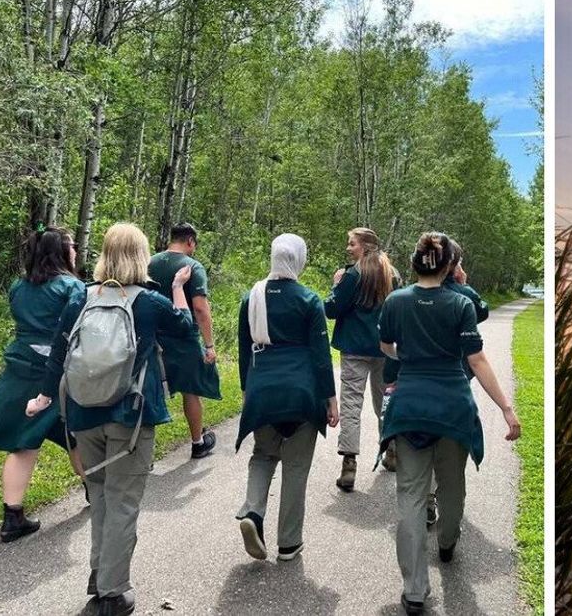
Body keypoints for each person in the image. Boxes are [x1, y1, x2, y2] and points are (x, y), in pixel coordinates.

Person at [27, 223, 194, 616]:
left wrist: (44, 397)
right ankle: (112, 593)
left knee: (101, 497)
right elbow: (185, 329)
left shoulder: (80, 298)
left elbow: (58, 352)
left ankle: (100, 577)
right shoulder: (149, 303)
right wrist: (177, 289)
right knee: (122, 503)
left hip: (84, 414)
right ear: (140, 256)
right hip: (130, 416)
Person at [378, 232, 521, 615]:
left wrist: (402, 359)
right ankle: (446, 541)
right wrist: (506, 409)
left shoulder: (395, 301)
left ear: (415, 263)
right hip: (452, 406)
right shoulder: (460, 305)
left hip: (409, 406)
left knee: (409, 494)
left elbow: (386, 347)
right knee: (452, 487)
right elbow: (477, 361)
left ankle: (413, 590)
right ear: (449, 266)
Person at [0, 226, 86, 542]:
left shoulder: (18, 287)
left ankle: (14, 517)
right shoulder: (72, 287)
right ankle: (95, 490)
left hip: (20, 366)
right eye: (72, 247)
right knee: (71, 434)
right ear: (62, 252)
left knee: (37, 438)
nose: (76, 252)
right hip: (55, 373)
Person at [234, 234, 340, 562]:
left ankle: (252, 512)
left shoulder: (251, 297)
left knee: (263, 455)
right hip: (301, 394)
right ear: (299, 259)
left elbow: (242, 349)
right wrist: (330, 399)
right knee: (296, 466)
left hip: (262, 389)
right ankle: (289, 543)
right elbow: (321, 356)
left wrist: (247, 390)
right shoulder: (309, 300)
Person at [382, 242, 489, 523]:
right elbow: (483, 314)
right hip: (453, 383)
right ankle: (442, 511)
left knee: (421, 448)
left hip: (414, 384)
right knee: (446, 454)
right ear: (451, 265)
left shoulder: (401, 298)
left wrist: (396, 368)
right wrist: (465, 284)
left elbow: (390, 344)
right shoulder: (462, 297)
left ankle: (427, 500)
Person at [324, 227, 394, 492]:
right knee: (385, 403)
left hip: (354, 348)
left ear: (364, 247)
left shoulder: (352, 275)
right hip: (385, 349)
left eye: (351, 243)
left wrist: (335, 284)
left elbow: (331, 309)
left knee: (352, 404)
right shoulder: (391, 275)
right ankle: (392, 452)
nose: (348, 248)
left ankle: (349, 465)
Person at [148, 223, 221, 458]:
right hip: (184, 336)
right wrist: (209, 345)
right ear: (190, 241)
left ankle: (143, 450)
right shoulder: (193, 266)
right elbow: (200, 308)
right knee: (191, 391)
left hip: (154, 335)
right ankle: (198, 442)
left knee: (150, 389)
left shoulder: (150, 262)